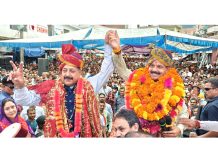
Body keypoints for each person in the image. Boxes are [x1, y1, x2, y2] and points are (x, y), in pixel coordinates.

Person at [9, 41, 115, 137]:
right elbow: (24, 100)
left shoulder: (88, 87)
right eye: (65, 70)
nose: (67, 74)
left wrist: (109, 45)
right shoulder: (50, 88)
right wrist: (20, 86)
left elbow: (106, 70)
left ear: (80, 72)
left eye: (72, 71)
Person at [107, 30, 189, 137]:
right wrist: (117, 50)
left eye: (159, 67)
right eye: (152, 65)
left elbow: (184, 113)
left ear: (167, 69)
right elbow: (122, 69)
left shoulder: (175, 89)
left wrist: (180, 129)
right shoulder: (137, 80)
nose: (154, 69)